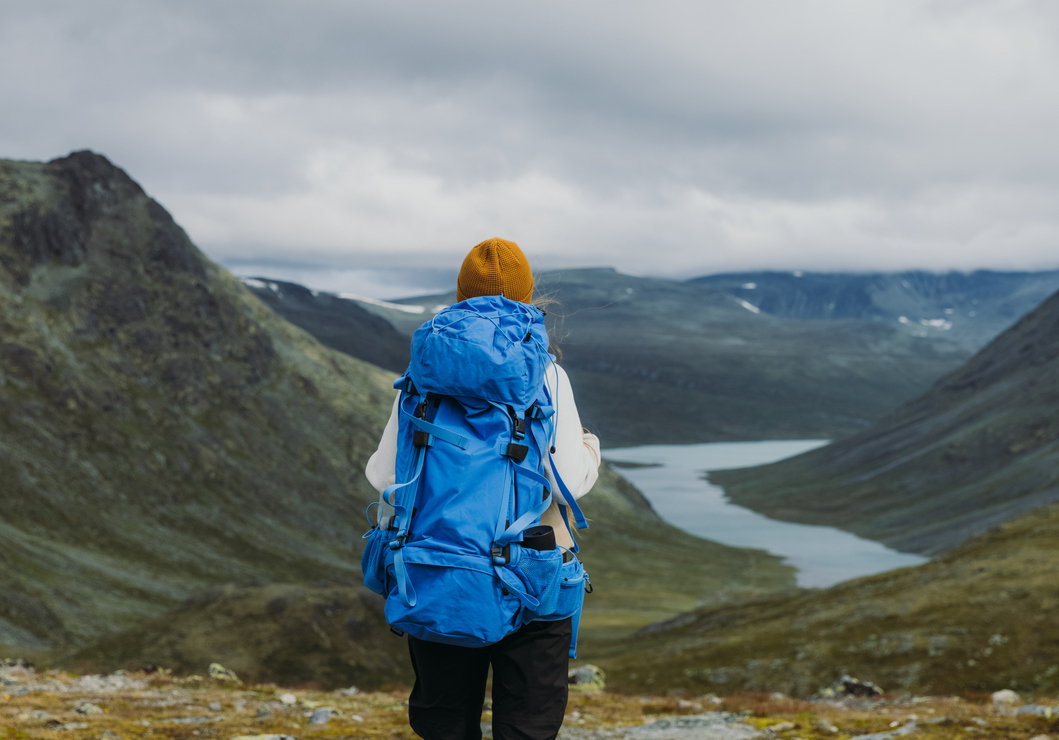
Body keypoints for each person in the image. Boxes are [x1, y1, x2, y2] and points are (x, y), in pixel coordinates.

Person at [365, 237, 601, 740]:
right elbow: (569, 481)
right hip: (535, 578)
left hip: (438, 570)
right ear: (529, 298)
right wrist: (591, 447)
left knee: (445, 720)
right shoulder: (549, 376)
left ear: (460, 296)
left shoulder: (422, 376)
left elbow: (384, 478)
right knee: (527, 725)